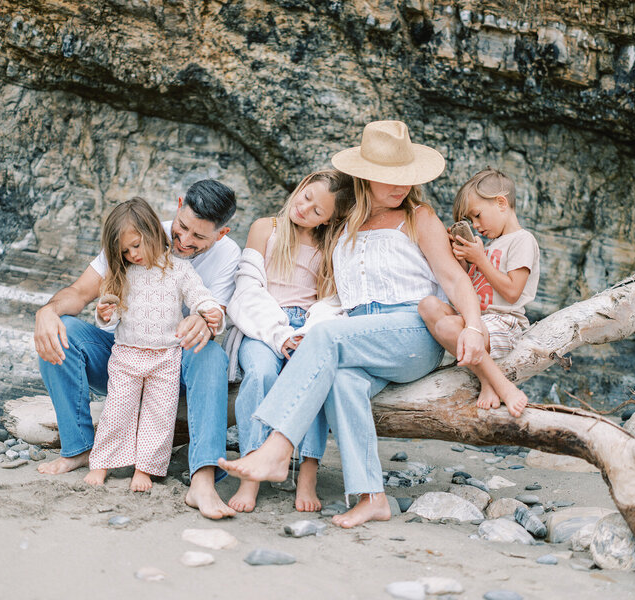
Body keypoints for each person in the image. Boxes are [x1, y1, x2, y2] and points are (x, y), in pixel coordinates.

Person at [218, 120, 486, 528]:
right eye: (387, 178)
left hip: (410, 331)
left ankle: (276, 446)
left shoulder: (417, 216)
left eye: (405, 177)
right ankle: (372, 495)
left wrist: (474, 326)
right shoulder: (340, 228)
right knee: (343, 382)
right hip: (358, 334)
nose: (399, 186)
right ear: (364, 176)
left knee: (326, 338)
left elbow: (452, 277)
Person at [34, 179, 240, 519]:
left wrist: (205, 320)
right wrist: (47, 311)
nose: (184, 241)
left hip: (178, 363)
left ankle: (202, 477)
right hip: (126, 358)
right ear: (178, 204)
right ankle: (81, 448)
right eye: (183, 227)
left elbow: (214, 313)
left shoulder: (228, 255)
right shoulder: (139, 231)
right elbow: (81, 292)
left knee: (210, 353)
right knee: (64, 329)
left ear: (222, 233)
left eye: (199, 237)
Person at [224, 169, 355, 513]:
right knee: (261, 373)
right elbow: (247, 289)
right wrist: (280, 333)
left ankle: (307, 470)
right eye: (307, 197)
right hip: (263, 323)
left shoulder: (331, 246)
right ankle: (251, 469)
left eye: (317, 211)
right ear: (301, 186)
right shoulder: (266, 228)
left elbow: (334, 300)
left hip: (309, 326)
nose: (305, 209)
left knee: (313, 378)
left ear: (329, 220)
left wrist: (308, 332)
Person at [83, 198, 224, 492]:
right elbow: (110, 316)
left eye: (137, 245)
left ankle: (145, 469)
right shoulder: (121, 273)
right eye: (125, 251)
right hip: (125, 355)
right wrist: (104, 314)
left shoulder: (179, 269)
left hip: (166, 357)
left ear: (152, 231)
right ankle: (102, 463)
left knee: (158, 415)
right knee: (117, 410)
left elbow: (199, 295)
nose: (133, 254)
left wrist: (210, 310)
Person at [417, 168, 539, 417]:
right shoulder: (487, 246)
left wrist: (480, 259)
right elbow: (464, 292)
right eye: (471, 221)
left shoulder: (522, 240)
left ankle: (496, 384)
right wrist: (463, 258)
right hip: (478, 324)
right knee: (428, 306)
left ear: (501, 203)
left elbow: (513, 292)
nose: (476, 225)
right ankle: (489, 379)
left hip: (505, 323)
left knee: (453, 329)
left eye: (478, 215)